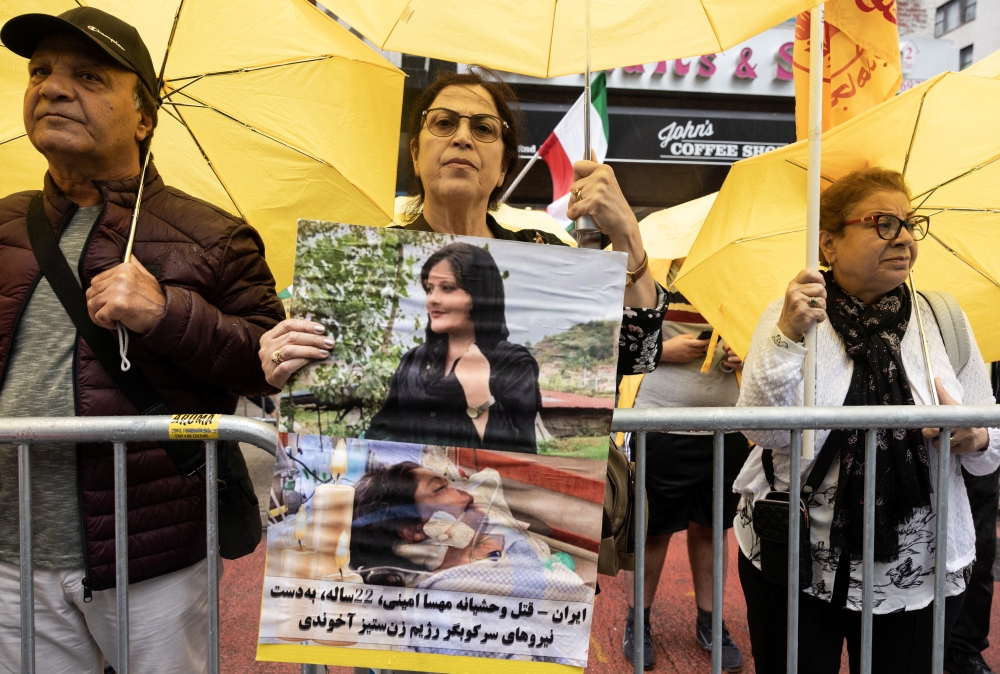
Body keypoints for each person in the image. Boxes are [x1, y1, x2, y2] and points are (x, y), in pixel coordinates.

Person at [0, 9, 284, 674]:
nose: (53, 87)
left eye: (88, 76)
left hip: (152, 552)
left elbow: (273, 366)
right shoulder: (5, 223)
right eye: (40, 71)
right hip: (12, 552)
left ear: (144, 117)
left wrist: (169, 313)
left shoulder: (214, 235)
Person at [732, 167, 1000, 673]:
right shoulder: (790, 314)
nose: (903, 238)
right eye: (882, 222)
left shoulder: (942, 319)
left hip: (913, 573)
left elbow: (991, 446)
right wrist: (787, 335)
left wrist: (978, 436)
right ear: (828, 244)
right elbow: (761, 431)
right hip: (798, 561)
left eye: (909, 223)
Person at [260, 66, 666, 393]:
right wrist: (281, 359)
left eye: (484, 128)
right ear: (416, 155)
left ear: (504, 167)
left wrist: (627, 233)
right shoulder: (365, 263)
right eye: (443, 123)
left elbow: (636, 355)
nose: (461, 137)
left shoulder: (548, 254)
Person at [621, 257, 749, 671]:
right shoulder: (648, 270)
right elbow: (612, 338)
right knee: (652, 532)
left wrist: (743, 351)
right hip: (659, 424)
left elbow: (761, 336)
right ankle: (638, 622)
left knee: (712, 530)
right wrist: (661, 350)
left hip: (725, 427)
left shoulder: (736, 273)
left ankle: (710, 621)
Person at [367, 242, 540, 452]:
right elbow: (378, 436)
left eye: (447, 288)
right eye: (429, 289)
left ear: (479, 296)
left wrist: (479, 394)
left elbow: (522, 458)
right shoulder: (413, 362)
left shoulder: (512, 364)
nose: (433, 299)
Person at [944, 362, 1000, 674]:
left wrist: (986, 436)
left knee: (979, 550)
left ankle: (963, 649)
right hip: (924, 439)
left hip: (980, 436)